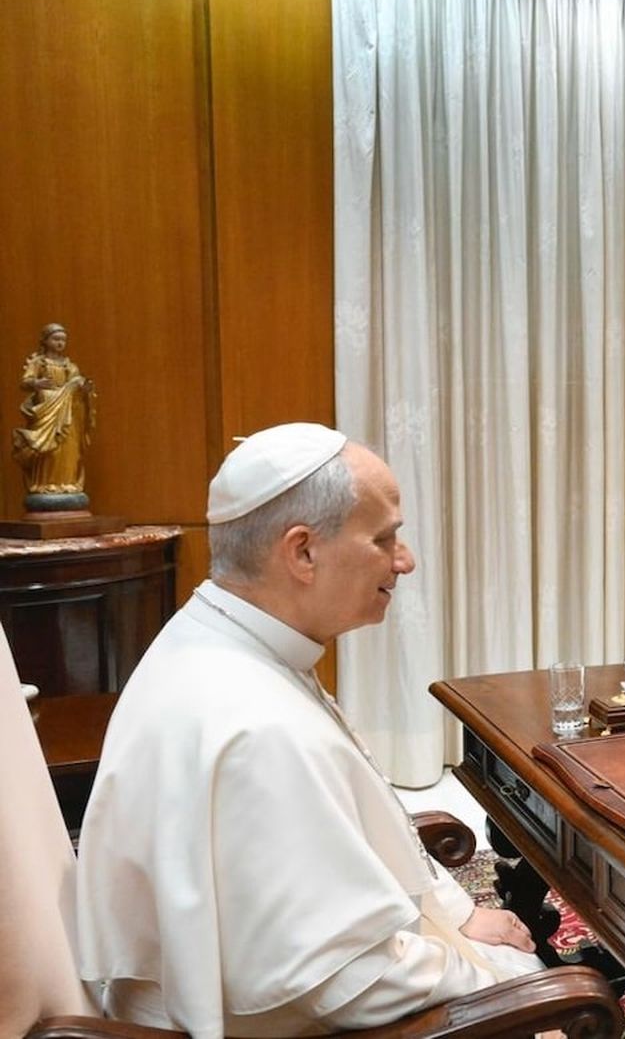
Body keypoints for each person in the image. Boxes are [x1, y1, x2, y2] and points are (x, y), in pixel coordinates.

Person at [75, 423, 540, 1038]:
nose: (405, 560)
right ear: (302, 552)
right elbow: (347, 978)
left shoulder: (223, 634)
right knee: (551, 991)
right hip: (279, 1020)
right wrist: (500, 987)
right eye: (384, 538)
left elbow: (352, 836)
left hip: (288, 984)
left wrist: (456, 914)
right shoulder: (254, 724)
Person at [13, 322, 96, 511]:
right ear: (45, 340)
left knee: (67, 448)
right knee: (51, 450)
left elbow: (77, 387)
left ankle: (66, 483)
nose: (60, 343)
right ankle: (46, 484)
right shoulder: (39, 362)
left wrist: (85, 389)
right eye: (56, 339)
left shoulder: (70, 365)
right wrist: (37, 383)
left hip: (68, 415)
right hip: (48, 410)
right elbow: (25, 383)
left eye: (63, 340)